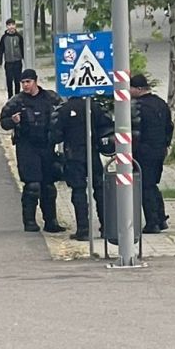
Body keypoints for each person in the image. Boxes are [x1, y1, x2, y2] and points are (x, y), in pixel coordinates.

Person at [0, 69, 65, 233]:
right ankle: (29, 221)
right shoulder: (17, 101)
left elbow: (62, 115)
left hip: (47, 146)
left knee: (48, 186)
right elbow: (4, 122)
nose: (25, 85)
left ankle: (51, 221)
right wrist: (13, 121)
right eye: (23, 82)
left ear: (36, 81)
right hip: (26, 147)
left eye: (28, 82)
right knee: (32, 185)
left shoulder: (51, 98)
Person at [52, 95, 110, 241]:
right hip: (93, 154)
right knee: (100, 189)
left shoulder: (63, 110)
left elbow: (55, 136)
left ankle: (83, 230)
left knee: (78, 191)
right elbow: (107, 127)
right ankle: (107, 228)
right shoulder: (94, 106)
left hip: (73, 155)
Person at [130, 74, 174, 234]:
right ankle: (161, 218)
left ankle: (152, 222)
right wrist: (166, 144)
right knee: (152, 184)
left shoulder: (137, 106)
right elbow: (169, 126)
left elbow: (134, 131)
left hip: (143, 151)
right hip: (159, 149)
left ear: (139, 89)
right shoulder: (160, 103)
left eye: (131, 88)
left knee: (145, 186)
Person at [0, 19, 24, 98]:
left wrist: (23, 57)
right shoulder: (4, 37)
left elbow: (22, 48)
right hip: (8, 62)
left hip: (17, 62)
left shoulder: (19, 37)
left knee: (17, 80)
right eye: (9, 25)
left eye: (12, 25)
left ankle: (17, 96)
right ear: (7, 27)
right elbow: (1, 49)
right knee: (9, 80)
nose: (11, 27)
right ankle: (10, 96)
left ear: (15, 26)